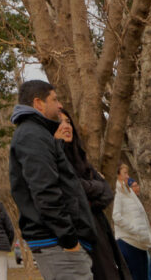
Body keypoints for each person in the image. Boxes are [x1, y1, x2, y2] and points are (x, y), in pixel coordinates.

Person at [9, 80, 95, 280]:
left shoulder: (39, 133)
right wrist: (69, 239)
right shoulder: (32, 135)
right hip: (56, 242)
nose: (59, 105)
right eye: (54, 99)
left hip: (58, 241)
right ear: (38, 103)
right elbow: (45, 192)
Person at [54, 111, 128, 280]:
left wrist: (85, 197)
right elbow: (70, 189)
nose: (66, 126)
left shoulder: (81, 159)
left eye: (68, 121)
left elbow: (106, 192)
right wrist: (90, 190)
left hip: (99, 230)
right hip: (78, 235)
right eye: (59, 122)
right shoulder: (52, 162)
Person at [114, 163, 151, 280]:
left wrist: (148, 235)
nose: (127, 176)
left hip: (139, 242)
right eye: (125, 173)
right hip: (128, 242)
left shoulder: (128, 192)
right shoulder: (117, 193)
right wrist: (135, 229)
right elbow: (116, 216)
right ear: (118, 175)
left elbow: (142, 216)